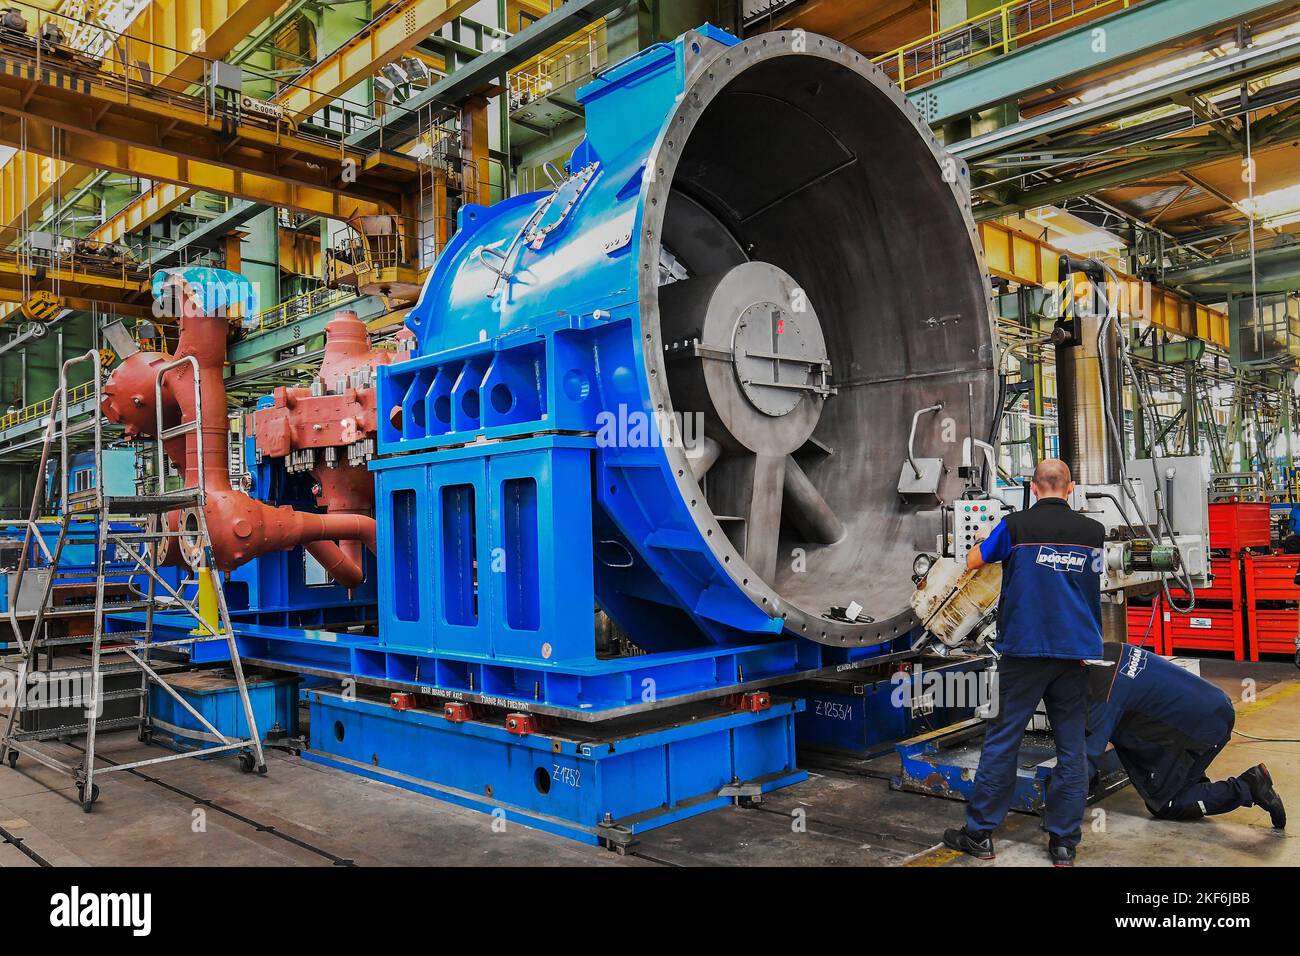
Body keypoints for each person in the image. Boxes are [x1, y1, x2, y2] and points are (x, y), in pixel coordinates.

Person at [943, 458, 1103, 867]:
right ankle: (1064, 842)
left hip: (1023, 653)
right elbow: (1090, 582)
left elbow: (974, 561)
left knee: (1002, 742)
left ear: (1033, 488)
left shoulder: (1015, 526)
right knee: (1072, 749)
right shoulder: (1093, 533)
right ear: (1071, 488)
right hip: (1073, 654)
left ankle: (979, 835)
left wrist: (984, 536)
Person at [1085, 642, 1285, 828]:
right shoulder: (1111, 649)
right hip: (1214, 707)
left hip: (1202, 728)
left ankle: (1247, 787)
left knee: (1165, 803)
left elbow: (1085, 762)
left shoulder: (1103, 694)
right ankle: (1197, 788)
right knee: (1177, 783)